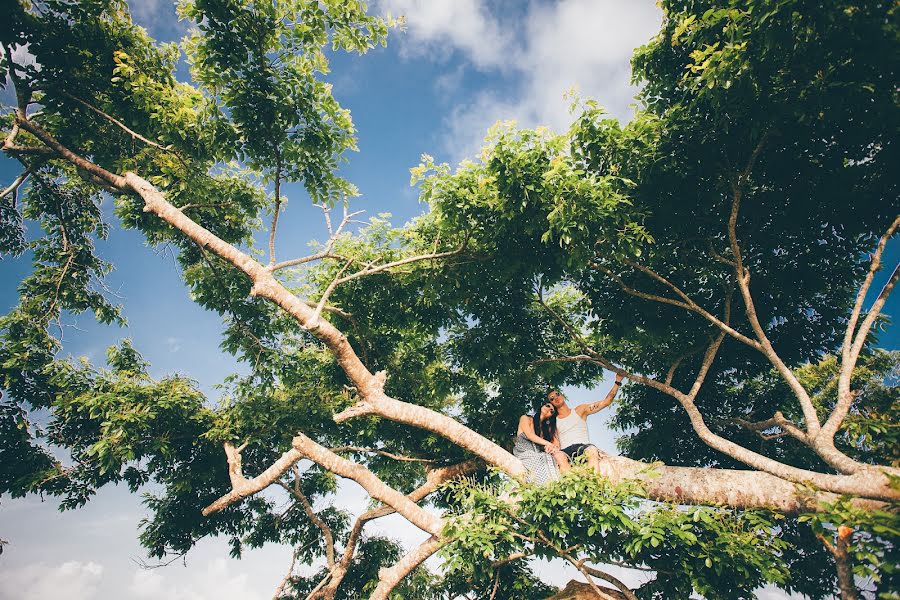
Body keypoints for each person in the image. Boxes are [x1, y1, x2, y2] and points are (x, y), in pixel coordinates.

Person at [548, 373, 624, 472]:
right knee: (559, 456)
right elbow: (555, 443)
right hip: (565, 451)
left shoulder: (580, 410)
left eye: (557, 394)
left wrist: (617, 381)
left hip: (582, 447)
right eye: (552, 398)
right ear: (551, 403)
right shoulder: (553, 422)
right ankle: (567, 484)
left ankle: (593, 483)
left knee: (592, 450)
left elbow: (607, 402)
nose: (556, 398)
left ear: (562, 395)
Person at [514, 401, 570, 483]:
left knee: (552, 458)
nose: (549, 410)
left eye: (552, 411)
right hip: (524, 451)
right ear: (541, 406)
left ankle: (561, 485)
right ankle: (548, 487)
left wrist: (549, 447)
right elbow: (530, 435)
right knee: (543, 459)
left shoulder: (544, 431)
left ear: (550, 417)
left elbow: (553, 445)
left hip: (537, 454)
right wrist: (548, 443)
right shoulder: (526, 418)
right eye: (548, 406)